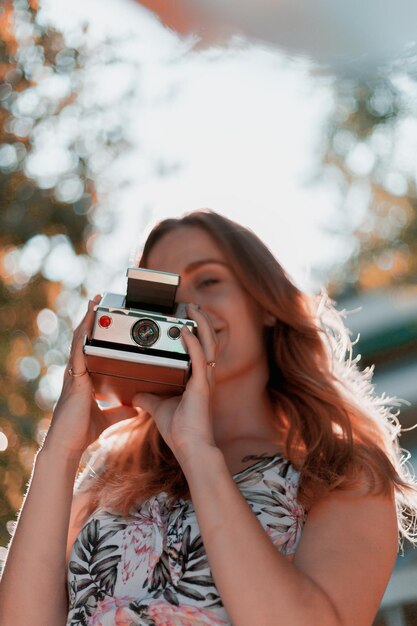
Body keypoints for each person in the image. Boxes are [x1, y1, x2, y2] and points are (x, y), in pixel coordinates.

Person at [1, 209, 416, 626]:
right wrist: (61, 450)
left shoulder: (341, 472)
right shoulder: (112, 476)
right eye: (168, 293)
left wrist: (196, 451)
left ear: (267, 304)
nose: (188, 307)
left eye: (209, 281)